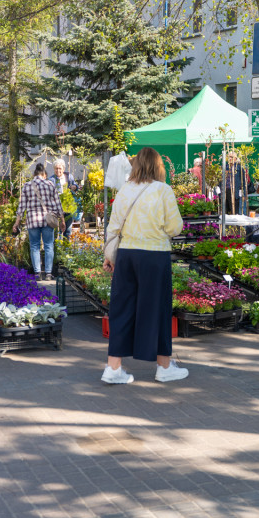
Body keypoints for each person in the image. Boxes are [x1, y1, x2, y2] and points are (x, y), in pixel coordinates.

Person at [101, 147, 186, 385]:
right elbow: (174, 228)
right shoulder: (163, 191)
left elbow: (113, 226)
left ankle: (113, 367)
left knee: (122, 309)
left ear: (136, 165)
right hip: (154, 257)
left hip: (126, 255)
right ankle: (164, 366)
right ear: (159, 166)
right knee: (157, 309)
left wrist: (109, 256)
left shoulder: (125, 190)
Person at [13, 163, 64, 281]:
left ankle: (37, 273)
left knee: (34, 246)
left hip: (32, 220)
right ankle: (48, 274)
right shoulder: (50, 184)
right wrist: (62, 220)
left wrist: (17, 223)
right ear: (43, 174)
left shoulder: (27, 186)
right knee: (48, 246)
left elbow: (21, 207)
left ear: (34, 174)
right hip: (48, 220)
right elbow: (58, 204)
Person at [50, 159, 80, 239]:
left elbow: (76, 186)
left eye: (60, 168)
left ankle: (66, 248)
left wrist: (75, 187)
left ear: (63, 169)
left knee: (68, 230)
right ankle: (57, 248)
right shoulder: (51, 179)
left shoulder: (69, 176)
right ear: (54, 169)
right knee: (57, 230)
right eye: (56, 168)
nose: (58, 170)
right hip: (57, 207)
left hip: (68, 206)